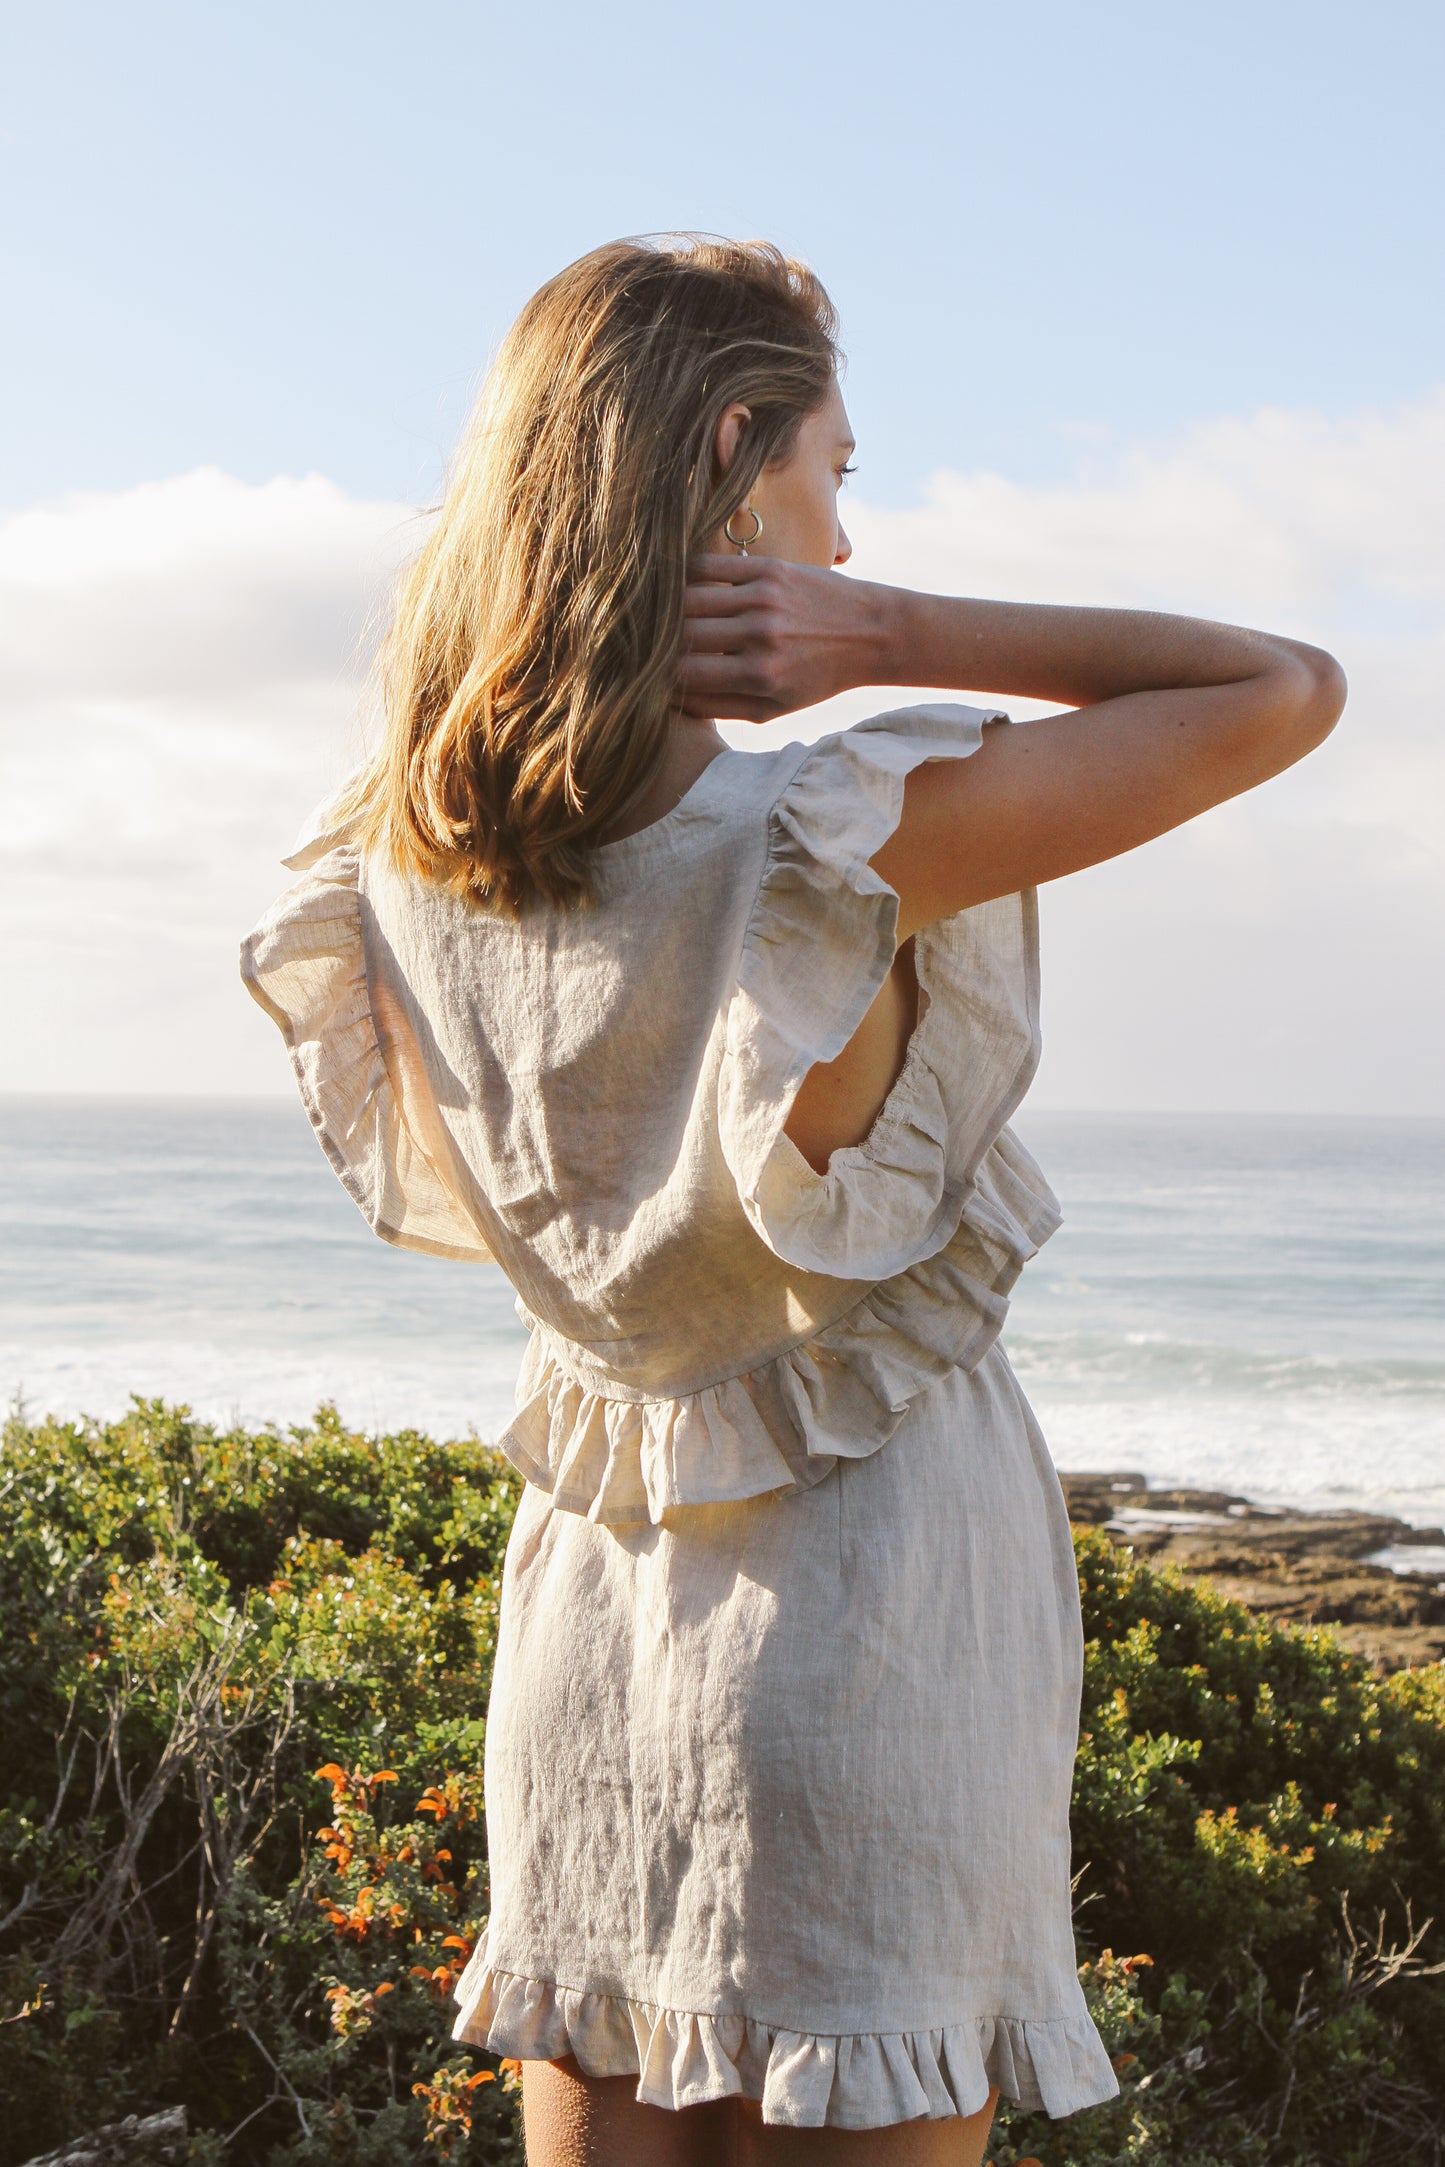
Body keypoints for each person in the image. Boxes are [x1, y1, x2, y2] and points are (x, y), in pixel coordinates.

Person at [241, 235, 1345, 2166]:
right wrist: (894, 632)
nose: (841, 532)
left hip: (596, 1609)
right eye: (835, 469)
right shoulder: (830, 838)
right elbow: (1279, 685)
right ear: (740, 451)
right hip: (876, 1599)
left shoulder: (397, 869)